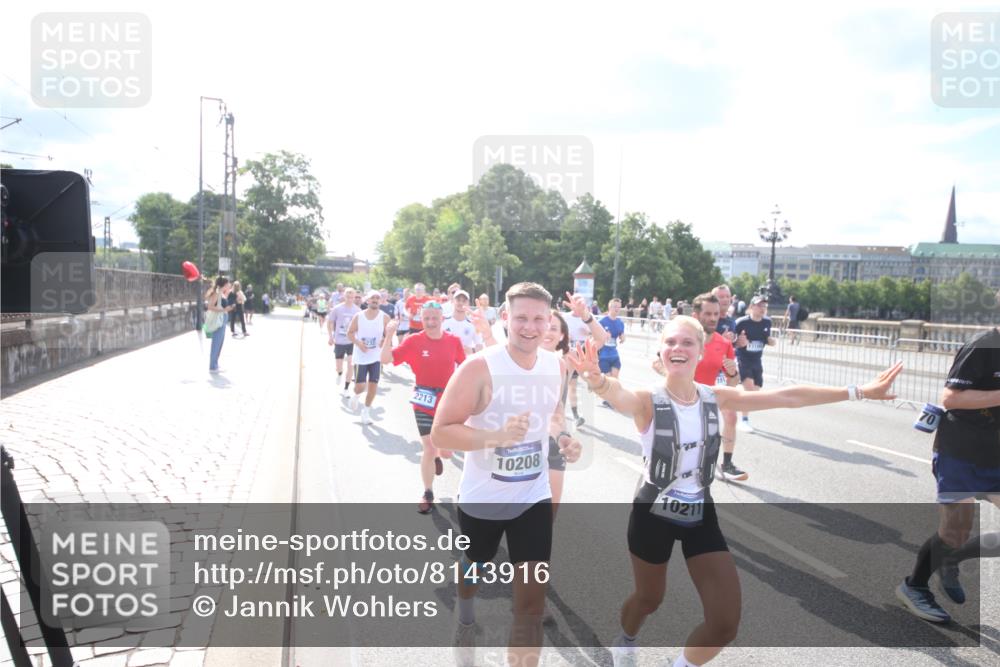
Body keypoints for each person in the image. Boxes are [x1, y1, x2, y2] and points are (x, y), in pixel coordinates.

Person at [566, 317, 902, 667]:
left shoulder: (716, 397)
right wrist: (597, 379)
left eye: (686, 343)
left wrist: (859, 391)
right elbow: (618, 395)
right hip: (653, 512)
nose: (677, 349)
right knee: (649, 599)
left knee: (725, 625)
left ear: (701, 351)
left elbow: (787, 397)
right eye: (670, 343)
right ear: (660, 351)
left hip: (699, 512)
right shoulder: (649, 400)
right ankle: (627, 638)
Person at [432, 282, 582, 667]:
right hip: (484, 496)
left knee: (530, 604)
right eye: (521, 318)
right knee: (474, 569)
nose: (530, 327)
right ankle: (464, 612)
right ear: (505, 319)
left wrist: (564, 438)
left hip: (533, 494)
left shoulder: (557, 366)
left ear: (550, 321)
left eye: (538, 319)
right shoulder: (479, 368)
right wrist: (497, 437)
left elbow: (553, 415)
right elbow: (442, 431)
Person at [897, 298, 1000, 624]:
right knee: (954, 530)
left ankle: (951, 557)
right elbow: (951, 398)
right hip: (961, 453)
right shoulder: (984, 345)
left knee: (955, 540)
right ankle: (914, 587)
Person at [380, 301, 466, 513]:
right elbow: (386, 359)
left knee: (446, 453)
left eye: (434, 318)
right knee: (428, 447)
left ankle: (439, 454)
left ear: (442, 319)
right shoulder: (414, 341)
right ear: (421, 319)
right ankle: (428, 492)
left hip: (448, 400)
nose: (430, 322)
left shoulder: (453, 341)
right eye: (426, 318)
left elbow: (465, 367)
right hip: (424, 398)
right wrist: (389, 335)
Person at [561, 293, 609, 427]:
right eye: (576, 302)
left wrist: (587, 331)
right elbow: (557, 334)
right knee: (571, 387)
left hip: (584, 354)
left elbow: (600, 336)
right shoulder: (565, 318)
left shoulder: (589, 318)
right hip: (568, 355)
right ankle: (575, 415)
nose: (578, 305)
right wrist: (565, 336)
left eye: (581, 303)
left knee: (591, 381)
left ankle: (591, 384)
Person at [347, 291, 391, 425]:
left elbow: (388, 335)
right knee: (360, 387)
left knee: (373, 386)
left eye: (378, 298)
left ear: (380, 301)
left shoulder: (385, 317)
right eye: (373, 298)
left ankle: (366, 411)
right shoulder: (359, 316)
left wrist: (384, 340)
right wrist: (359, 343)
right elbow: (350, 333)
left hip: (376, 357)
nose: (375, 300)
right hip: (361, 356)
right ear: (367, 301)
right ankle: (355, 396)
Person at [734, 295, 776, 433]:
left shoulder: (767, 322)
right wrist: (739, 342)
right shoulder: (741, 322)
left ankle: (738, 400)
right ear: (751, 307)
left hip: (757, 360)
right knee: (750, 391)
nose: (762, 309)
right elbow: (732, 342)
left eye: (764, 306)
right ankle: (744, 421)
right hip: (743, 359)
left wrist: (771, 341)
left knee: (755, 392)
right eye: (759, 306)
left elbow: (766, 339)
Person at [328, 287, 361, 397]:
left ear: (354, 297)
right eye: (348, 297)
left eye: (352, 297)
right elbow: (330, 322)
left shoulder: (357, 310)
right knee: (339, 366)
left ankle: (346, 389)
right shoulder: (337, 309)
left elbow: (360, 326)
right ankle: (339, 373)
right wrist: (331, 336)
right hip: (339, 341)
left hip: (352, 342)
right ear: (344, 297)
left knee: (351, 365)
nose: (350, 299)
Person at [598, 298, 627, 405]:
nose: (617, 309)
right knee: (609, 379)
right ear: (609, 307)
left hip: (614, 355)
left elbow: (621, 334)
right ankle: (608, 399)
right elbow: (594, 336)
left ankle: (610, 399)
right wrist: (604, 336)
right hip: (604, 356)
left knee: (615, 379)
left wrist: (623, 337)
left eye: (619, 307)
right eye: (615, 307)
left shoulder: (619, 322)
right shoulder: (602, 322)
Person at [205, 277, 235, 373]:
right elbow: (210, 306)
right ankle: (212, 367)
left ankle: (215, 364)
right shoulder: (217, 293)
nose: (229, 285)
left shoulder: (221, 293)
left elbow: (222, 305)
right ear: (224, 284)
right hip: (219, 320)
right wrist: (224, 310)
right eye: (228, 283)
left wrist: (228, 308)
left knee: (220, 343)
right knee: (216, 343)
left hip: (222, 320)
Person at [442, 289, 482, 356]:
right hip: (445, 360)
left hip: (464, 363)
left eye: (464, 301)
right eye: (458, 300)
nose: (461, 303)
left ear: (468, 304)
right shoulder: (442, 320)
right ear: (453, 302)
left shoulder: (473, 323)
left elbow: (480, 346)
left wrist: (472, 350)